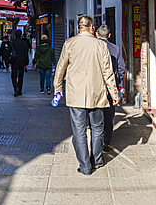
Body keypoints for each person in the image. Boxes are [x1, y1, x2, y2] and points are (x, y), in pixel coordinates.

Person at [52, 16, 118, 175]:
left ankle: (85, 166)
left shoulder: (69, 44)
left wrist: (57, 88)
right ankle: (96, 160)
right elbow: (108, 72)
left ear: (78, 28)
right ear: (92, 28)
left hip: (76, 94)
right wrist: (113, 93)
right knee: (97, 128)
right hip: (97, 94)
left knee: (79, 131)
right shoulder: (101, 45)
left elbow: (60, 68)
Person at [96, 25, 127, 150]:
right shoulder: (115, 48)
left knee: (96, 115)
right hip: (110, 86)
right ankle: (107, 141)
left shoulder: (93, 47)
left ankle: (96, 142)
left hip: (95, 85)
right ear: (109, 35)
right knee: (109, 116)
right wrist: (117, 84)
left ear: (96, 35)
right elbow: (121, 68)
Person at [9, 29, 30, 97]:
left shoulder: (12, 42)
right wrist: (27, 63)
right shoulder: (24, 43)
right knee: (21, 76)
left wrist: (9, 62)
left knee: (13, 76)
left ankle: (16, 88)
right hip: (22, 62)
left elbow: (10, 53)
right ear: (21, 35)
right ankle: (19, 90)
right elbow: (26, 54)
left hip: (14, 61)